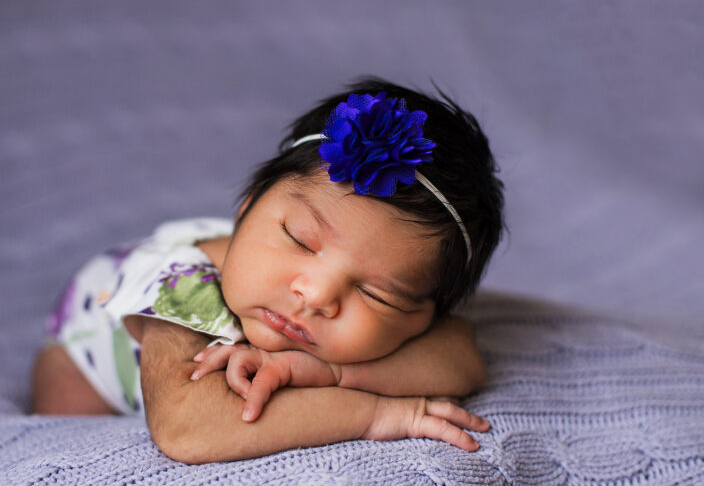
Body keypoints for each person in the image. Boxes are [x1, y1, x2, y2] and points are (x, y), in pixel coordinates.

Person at [31, 76, 505, 464]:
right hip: (91, 335)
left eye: (378, 294)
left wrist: (322, 372)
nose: (316, 294)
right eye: (300, 239)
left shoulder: (383, 311)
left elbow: (462, 360)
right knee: (64, 427)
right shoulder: (180, 282)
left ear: (424, 316)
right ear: (248, 206)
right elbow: (188, 428)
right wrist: (375, 413)